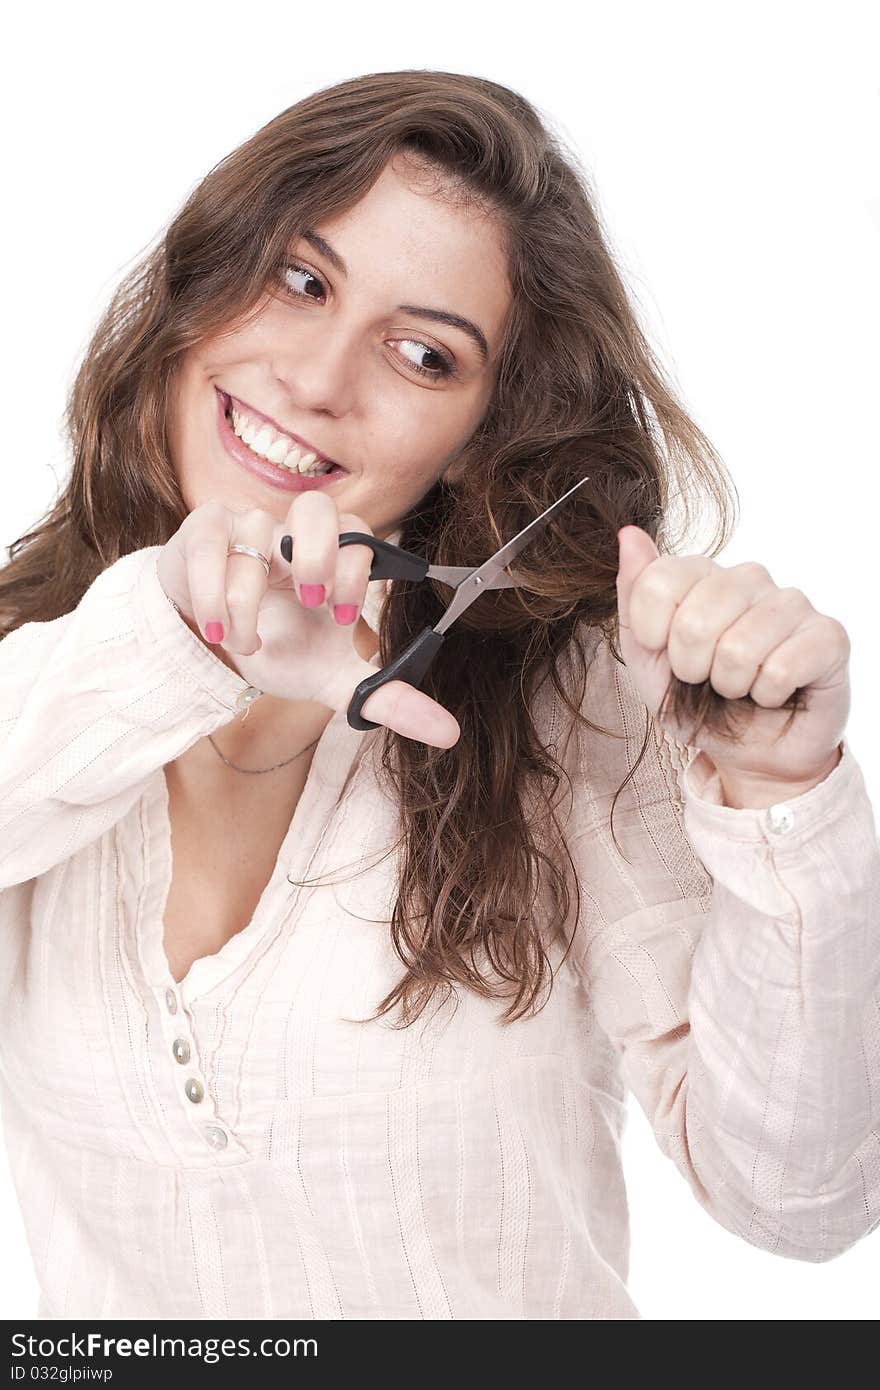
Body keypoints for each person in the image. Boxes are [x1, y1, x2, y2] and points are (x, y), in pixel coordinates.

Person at [0, 69, 877, 1322]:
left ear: (478, 433)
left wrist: (778, 799)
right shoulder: (38, 665)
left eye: (422, 353)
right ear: (199, 289)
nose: (314, 378)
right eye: (300, 280)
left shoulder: (574, 706)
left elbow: (800, 1202)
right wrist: (171, 641)